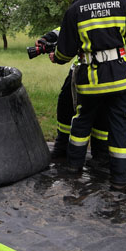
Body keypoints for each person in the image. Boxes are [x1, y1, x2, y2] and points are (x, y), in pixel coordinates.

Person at [51, 0, 126, 192]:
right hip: (122, 80)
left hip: (91, 84)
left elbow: (64, 52)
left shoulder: (75, 9)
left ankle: (73, 174)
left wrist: (55, 57)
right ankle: (118, 185)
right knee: (120, 131)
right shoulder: (122, 4)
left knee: (81, 124)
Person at [35, 28, 109, 167]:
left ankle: (101, 155)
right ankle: (63, 148)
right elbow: (68, 26)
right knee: (65, 105)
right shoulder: (80, 8)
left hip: (107, 70)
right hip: (80, 68)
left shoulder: (111, 9)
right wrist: (48, 38)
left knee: (101, 113)